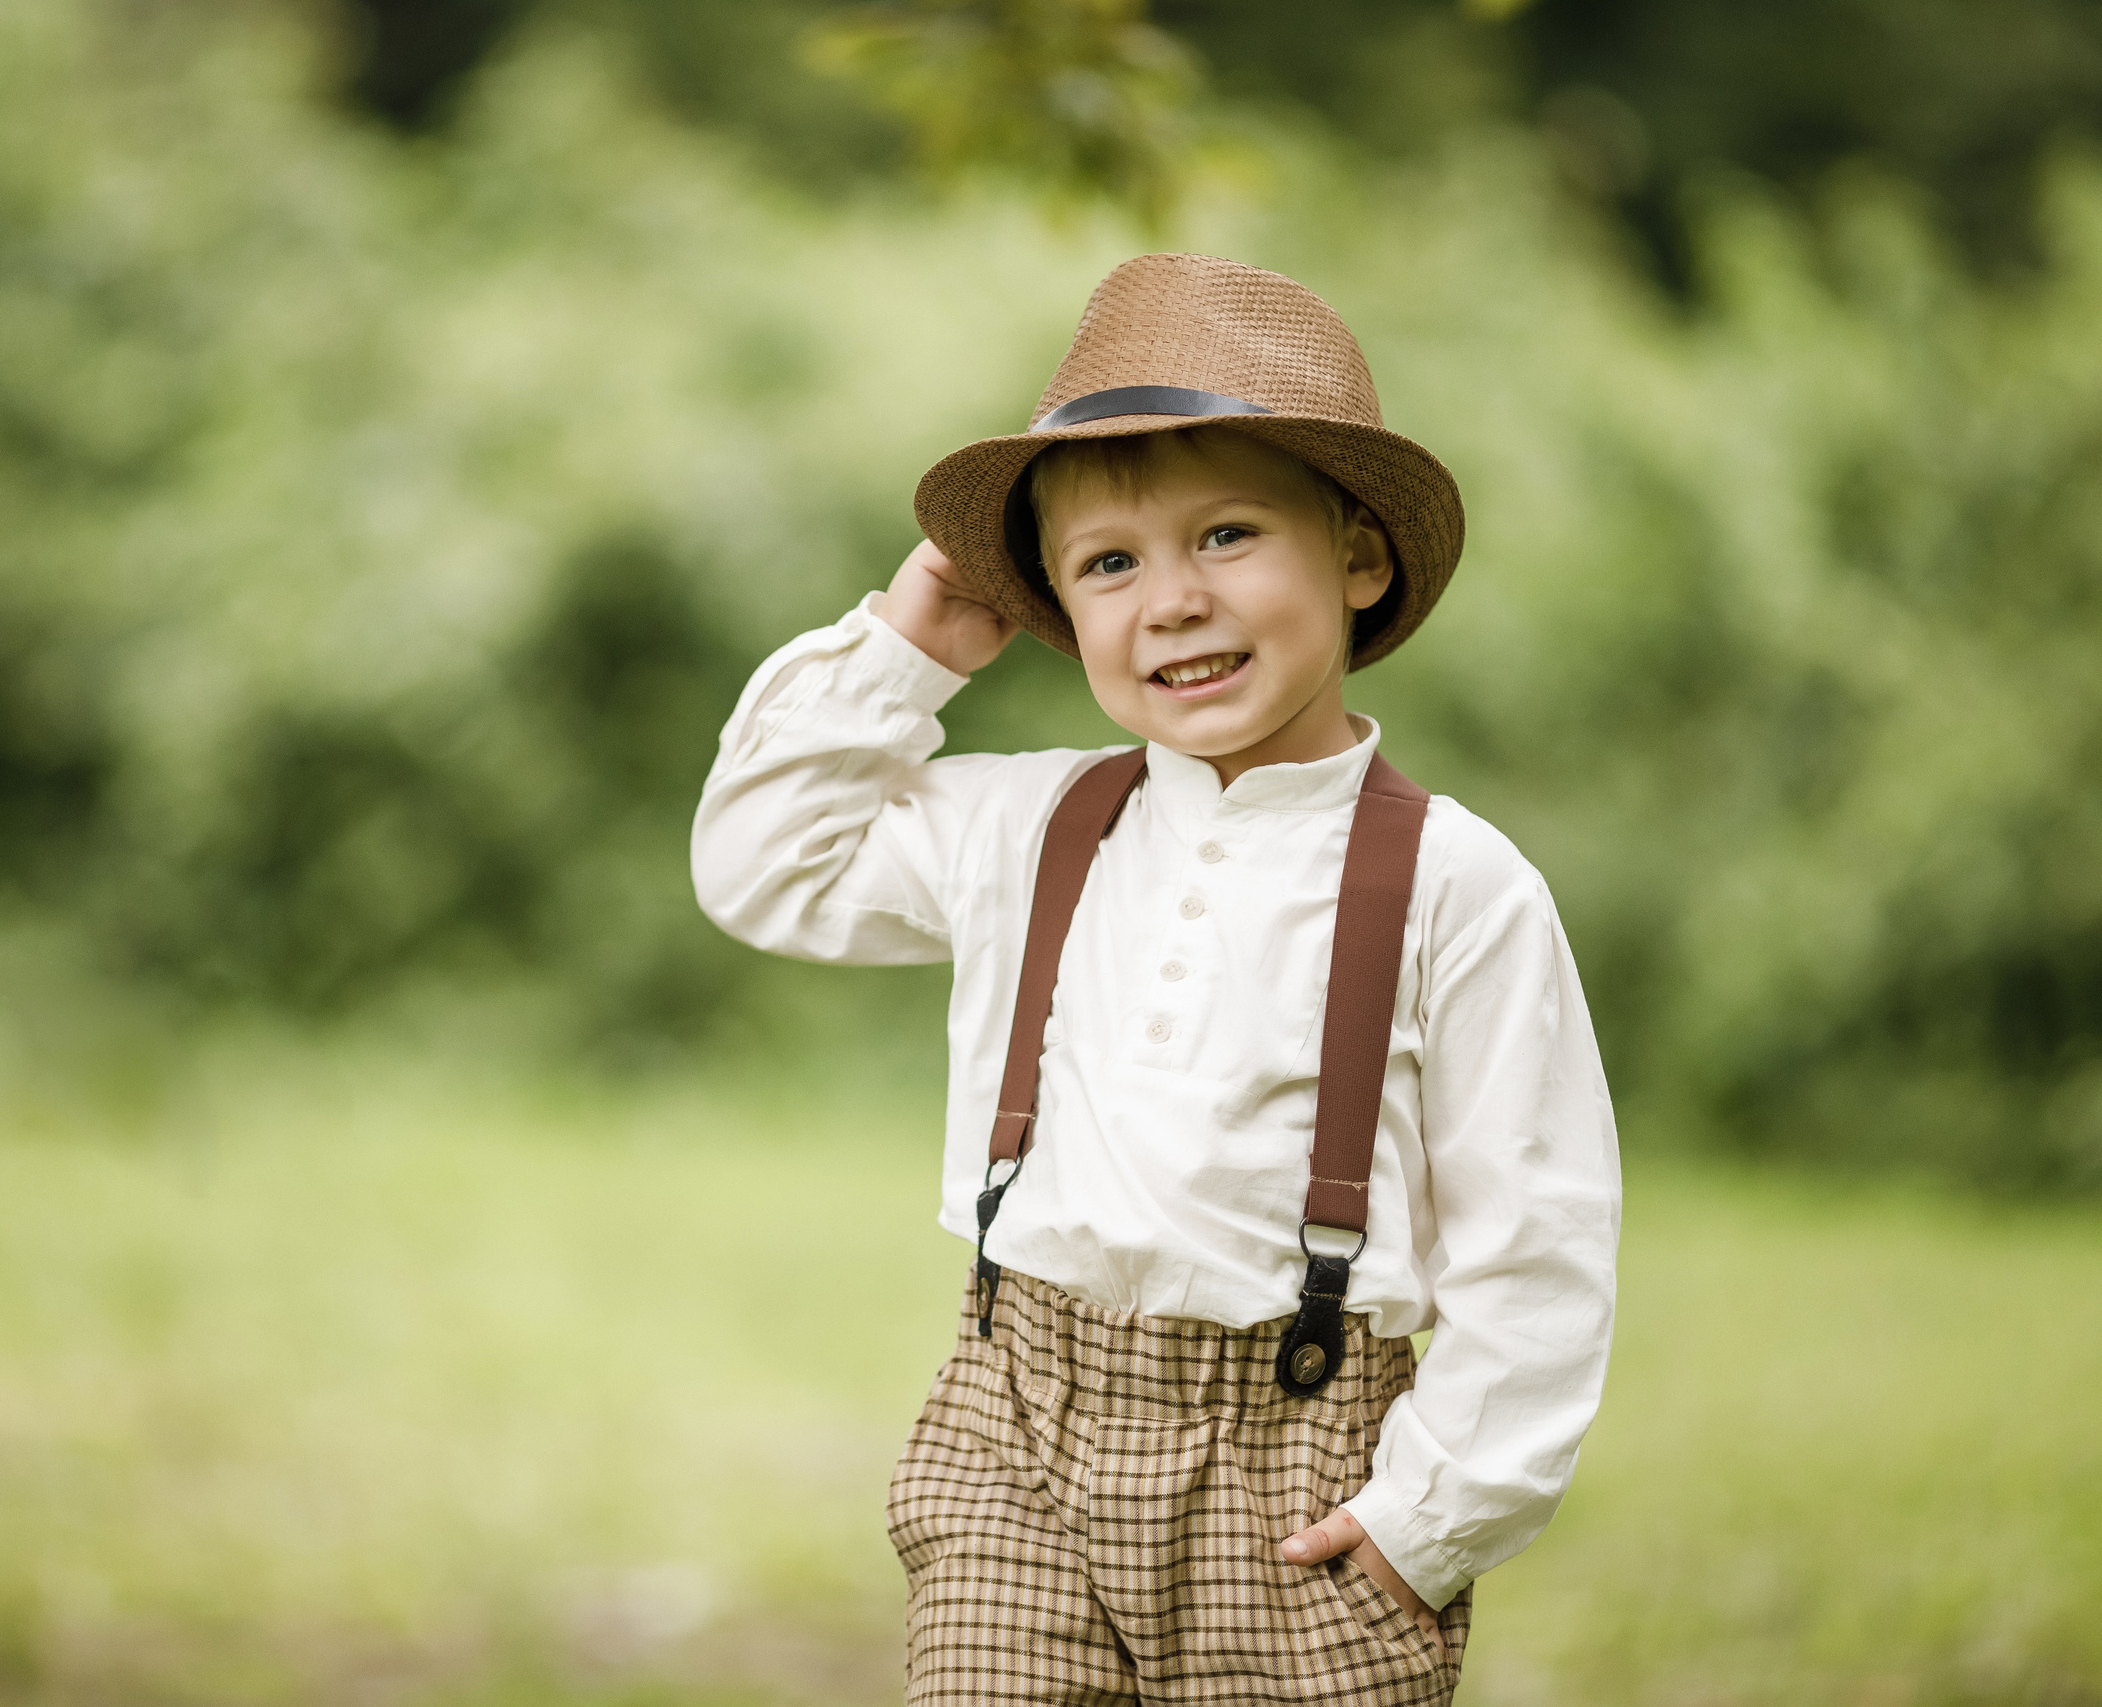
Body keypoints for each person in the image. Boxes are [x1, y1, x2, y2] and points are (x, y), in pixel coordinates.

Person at [691, 253, 1618, 1705]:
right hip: (1020, 1433)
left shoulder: (1458, 884)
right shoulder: (1031, 825)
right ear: (1055, 608)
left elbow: (1538, 1241)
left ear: (1360, 560)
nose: (1171, 600)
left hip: (1299, 1475)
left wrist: (1427, 1522)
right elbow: (766, 866)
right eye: (1108, 564)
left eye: (1228, 535)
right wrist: (908, 644)